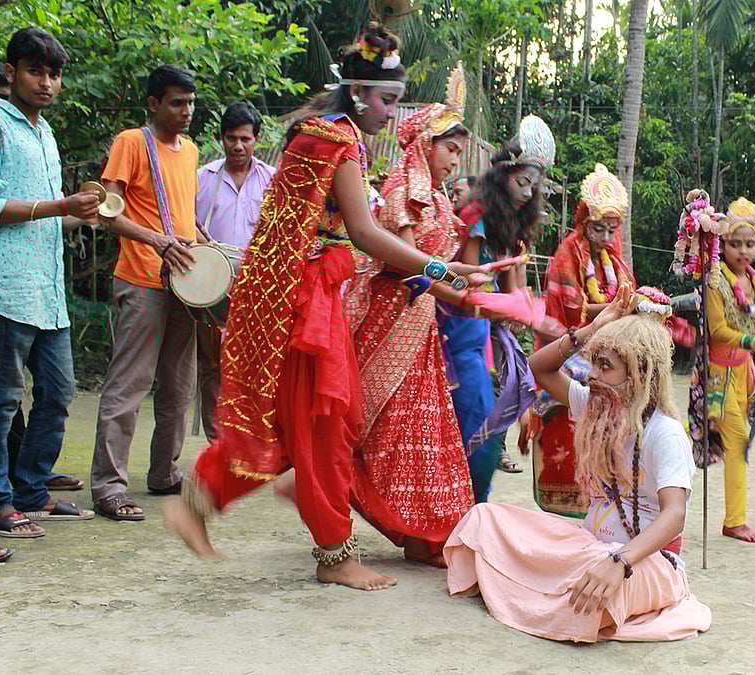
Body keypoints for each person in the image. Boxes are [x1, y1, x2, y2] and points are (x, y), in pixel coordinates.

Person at [164, 25, 482, 589]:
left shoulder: (323, 134)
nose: (390, 112)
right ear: (359, 93)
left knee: (294, 424)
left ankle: (198, 500)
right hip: (308, 300)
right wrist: (438, 269)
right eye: (386, 99)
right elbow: (362, 232)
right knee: (323, 425)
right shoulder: (335, 141)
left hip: (305, 292)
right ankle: (334, 554)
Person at [445, 284, 712, 643]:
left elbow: (674, 514)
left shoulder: (665, 432)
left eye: (606, 366)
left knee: (596, 591)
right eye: (594, 363)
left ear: (639, 374)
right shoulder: (594, 402)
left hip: (645, 566)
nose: (593, 375)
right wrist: (588, 331)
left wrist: (618, 563)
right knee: (484, 518)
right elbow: (537, 368)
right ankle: (555, 588)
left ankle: (540, 590)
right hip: (584, 550)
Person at [342, 69, 480, 567]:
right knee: (391, 425)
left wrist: (470, 287)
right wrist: (462, 287)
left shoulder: (441, 198)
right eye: (449, 148)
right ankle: (402, 523)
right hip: (391, 317)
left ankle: (429, 533)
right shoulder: (404, 192)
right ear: (425, 144)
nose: (455, 158)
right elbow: (406, 264)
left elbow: (437, 275)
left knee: (426, 428)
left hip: (420, 322)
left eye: (459, 151)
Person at [0, 28, 101, 547]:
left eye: (55, 74)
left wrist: (84, 213)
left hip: (48, 292)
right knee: (4, 400)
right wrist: (60, 206)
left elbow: (47, 217)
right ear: (11, 72)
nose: (47, 83)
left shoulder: (46, 134)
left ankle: (31, 489)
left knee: (57, 394)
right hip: (6, 290)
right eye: (36, 71)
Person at [90, 64, 202, 521]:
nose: (186, 111)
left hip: (184, 283)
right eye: (177, 102)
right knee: (130, 385)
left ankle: (164, 473)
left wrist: (206, 245)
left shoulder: (191, 150)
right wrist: (159, 241)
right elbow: (106, 212)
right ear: (154, 103)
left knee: (179, 386)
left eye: (191, 102)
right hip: (140, 279)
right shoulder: (131, 142)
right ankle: (108, 486)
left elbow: (183, 214)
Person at [443, 120, 553, 503]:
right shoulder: (476, 215)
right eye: (522, 180)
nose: (527, 191)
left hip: (491, 334)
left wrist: (527, 312)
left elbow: (516, 289)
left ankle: (475, 511)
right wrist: (530, 312)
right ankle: (470, 513)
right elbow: (473, 287)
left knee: (487, 429)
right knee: (478, 431)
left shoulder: (517, 224)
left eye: (533, 184)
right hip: (459, 330)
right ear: (503, 174)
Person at [534, 163, 637, 515]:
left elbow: (626, 294)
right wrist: (613, 310)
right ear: (584, 222)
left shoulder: (615, 262)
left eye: (612, 230)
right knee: (586, 379)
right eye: (599, 229)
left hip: (608, 346)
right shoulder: (567, 254)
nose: (607, 238)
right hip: (571, 344)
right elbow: (573, 310)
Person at [702, 198, 755, 543]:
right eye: (735, 243)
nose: (742, 250)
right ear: (722, 244)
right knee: (734, 442)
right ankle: (734, 521)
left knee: (731, 442)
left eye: (749, 243)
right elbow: (717, 331)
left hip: (745, 374)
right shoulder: (714, 281)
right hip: (718, 374)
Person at [193, 101, 276, 441]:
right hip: (212, 286)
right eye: (231, 138)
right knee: (212, 365)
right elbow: (187, 224)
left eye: (245, 138)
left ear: (257, 139)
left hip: (259, 286)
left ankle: (251, 441)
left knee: (257, 363)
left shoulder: (273, 180)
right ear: (221, 139)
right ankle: (217, 443)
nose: (238, 146)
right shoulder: (202, 178)